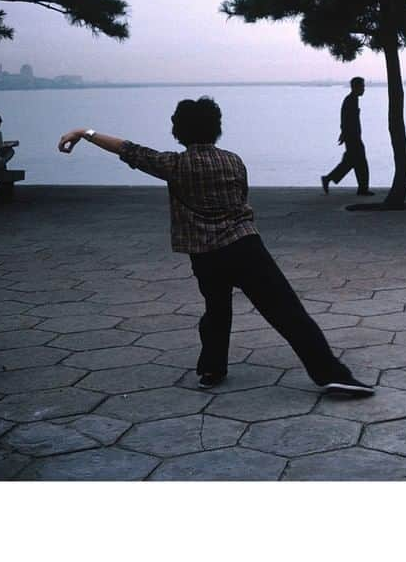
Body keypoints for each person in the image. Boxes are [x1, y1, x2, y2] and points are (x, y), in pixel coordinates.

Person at [57, 97, 374, 395]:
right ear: (215, 128)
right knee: (287, 311)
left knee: (217, 311)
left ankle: (212, 370)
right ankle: (331, 374)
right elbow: (241, 199)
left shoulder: (174, 165)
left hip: (205, 255)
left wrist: (85, 133)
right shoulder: (234, 161)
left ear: (179, 131)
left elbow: (129, 149)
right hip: (245, 246)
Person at [321, 77, 374, 196]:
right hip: (353, 138)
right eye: (362, 86)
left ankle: (329, 178)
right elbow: (346, 120)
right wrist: (344, 134)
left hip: (353, 137)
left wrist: (344, 134)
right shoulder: (350, 100)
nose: (364, 89)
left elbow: (346, 120)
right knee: (360, 163)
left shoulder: (353, 99)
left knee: (351, 162)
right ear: (356, 87)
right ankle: (362, 189)